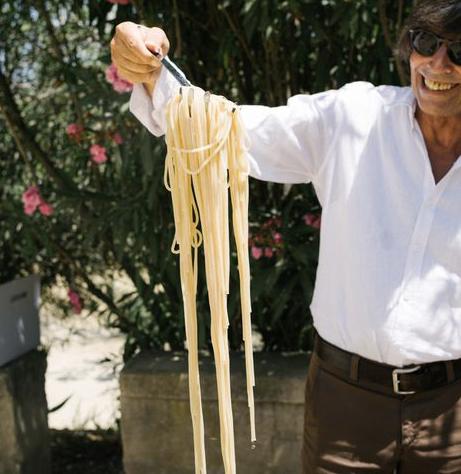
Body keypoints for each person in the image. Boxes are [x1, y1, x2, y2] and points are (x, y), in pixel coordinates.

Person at [111, 0, 461, 472]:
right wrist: (153, 71)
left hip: (452, 413)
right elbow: (229, 130)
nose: (438, 64)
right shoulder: (355, 117)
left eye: (458, 50)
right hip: (345, 403)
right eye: (426, 42)